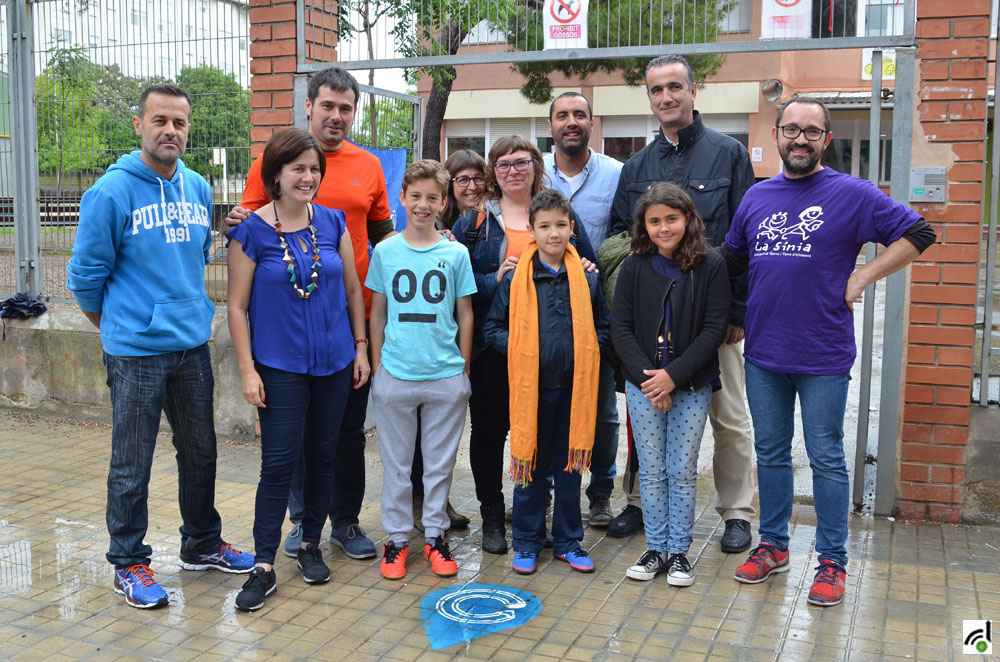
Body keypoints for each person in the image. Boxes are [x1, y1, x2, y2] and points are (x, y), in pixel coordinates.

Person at [721, 96, 935, 606]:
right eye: (791, 129)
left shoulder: (854, 194)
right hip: (764, 354)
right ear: (776, 135)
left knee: (826, 459)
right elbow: (730, 258)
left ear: (825, 140)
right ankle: (773, 546)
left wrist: (863, 274)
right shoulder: (756, 197)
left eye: (811, 132)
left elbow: (920, 232)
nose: (800, 139)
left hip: (823, 354)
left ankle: (832, 562)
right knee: (770, 455)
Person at [66, 84, 253, 609]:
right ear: (139, 125)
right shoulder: (111, 192)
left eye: (180, 123)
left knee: (201, 452)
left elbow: (189, 255)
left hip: (191, 344)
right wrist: (117, 329)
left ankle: (201, 543)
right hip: (135, 352)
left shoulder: (195, 186)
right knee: (132, 461)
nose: (171, 131)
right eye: (160, 121)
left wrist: (228, 228)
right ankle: (129, 562)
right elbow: (84, 279)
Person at [228, 67, 392, 561]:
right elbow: (249, 223)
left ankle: (344, 522)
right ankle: (301, 524)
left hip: (349, 325)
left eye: (346, 108)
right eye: (328, 106)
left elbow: (386, 238)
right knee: (290, 445)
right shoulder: (271, 164)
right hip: (287, 336)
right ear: (309, 105)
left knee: (344, 437)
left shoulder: (369, 166)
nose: (337, 115)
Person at [607, 54, 757, 554]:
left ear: (694, 91)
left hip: (716, 323)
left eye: (675, 87)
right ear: (648, 98)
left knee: (729, 417)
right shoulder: (636, 168)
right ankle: (640, 503)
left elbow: (747, 237)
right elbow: (618, 242)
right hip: (654, 328)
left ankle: (736, 511)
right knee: (648, 410)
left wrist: (736, 313)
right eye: (656, 90)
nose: (666, 97)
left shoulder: (728, 153)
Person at [226, 130, 370, 611]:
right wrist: (248, 370)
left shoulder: (332, 223)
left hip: (333, 362)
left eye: (314, 169)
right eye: (298, 169)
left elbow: (353, 291)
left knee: (324, 456)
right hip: (279, 366)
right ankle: (263, 566)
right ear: (276, 175)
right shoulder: (250, 231)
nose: (308, 177)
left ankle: (311, 545)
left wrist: (361, 348)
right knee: (278, 464)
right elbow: (237, 307)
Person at [452, 136, 598, 555]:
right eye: (502, 165)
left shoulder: (559, 212)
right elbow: (456, 286)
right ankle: (494, 517)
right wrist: (494, 278)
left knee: (549, 436)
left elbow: (587, 267)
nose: (512, 171)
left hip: (555, 357)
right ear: (492, 174)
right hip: (494, 350)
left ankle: (540, 521)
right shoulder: (474, 223)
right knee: (491, 434)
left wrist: (587, 266)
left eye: (521, 162)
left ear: (536, 164)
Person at [484, 189, 609, 575]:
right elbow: (492, 328)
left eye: (560, 225)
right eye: (544, 226)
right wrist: (524, 350)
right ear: (532, 231)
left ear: (572, 229)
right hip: (532, 390)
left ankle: (569, 542)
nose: (553, 233)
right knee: (530, 469)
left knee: (569, 469)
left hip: (574, 390)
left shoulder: (587, 280)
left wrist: (585, 349)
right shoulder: (517, 280)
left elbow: (603, 328)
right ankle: (526, 542)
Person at [612, 183, 730, 586]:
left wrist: (673, 377)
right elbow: (621, 327)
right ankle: (655, 547)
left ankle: (679, 552)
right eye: (655, 221)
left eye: (672, 219)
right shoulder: (634, 266)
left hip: (691, 386)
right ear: (644, 226)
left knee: (681, 470)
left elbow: (714, 328)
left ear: (688, 219)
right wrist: (652, 381)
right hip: (643, 385)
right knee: (652, 469)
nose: (664, 228)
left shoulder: (711, 264)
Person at [367, 160, 476, 580]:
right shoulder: (386, 250)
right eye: (416, 196)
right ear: (403, 197)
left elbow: (465, 313)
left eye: (432, 197)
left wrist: (461, 370)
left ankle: (435, 536)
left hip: (445, 375)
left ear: (443, 202)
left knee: (438, 465)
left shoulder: (455, 252)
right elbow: (377, 312)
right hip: (396, 374)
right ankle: (396, 540)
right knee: (396, 466)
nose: (423, 204)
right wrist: (379, 367)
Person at [543, 92, 623, 527]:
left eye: (579, 114)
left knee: (605, 412)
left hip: (596, 310)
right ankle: (548, 488)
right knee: (546, 407)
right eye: (562, 115)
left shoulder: (617, 174)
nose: (571, 122)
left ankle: (601, 493)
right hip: (544, 308)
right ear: (551, 124)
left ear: (592, 122)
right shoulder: (536, 174)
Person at [409, 148, 486, 533]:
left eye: (477, 178)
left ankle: (440, 502)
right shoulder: (430, 227)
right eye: (462, 179)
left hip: (464, 343)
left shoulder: (485, 221)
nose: (471, 186)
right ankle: (421, 504)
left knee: (448, 433)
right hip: (426, 346)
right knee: (422, 433)